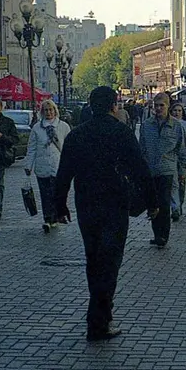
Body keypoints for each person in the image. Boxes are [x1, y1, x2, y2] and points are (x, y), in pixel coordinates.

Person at [54, 86, 158, 341]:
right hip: (115, 205)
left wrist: (59, 205)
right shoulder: (121, 132)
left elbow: (64, 173)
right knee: (110, 263)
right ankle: (99, 320)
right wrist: (153, 201)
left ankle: (99, 316)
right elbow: (140, 168)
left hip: (86, 205)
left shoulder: (76, 136)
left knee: (94, 260)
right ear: (113, 106)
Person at [139, 93, 186, 248]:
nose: (159, 108)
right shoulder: (147, 125)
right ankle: (156, 233)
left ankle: (163, 235)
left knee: (164, 202)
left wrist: (182, 172)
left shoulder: (176, 126)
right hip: (150, 170)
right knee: (153, 203)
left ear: (168, 106)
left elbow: (183, 150)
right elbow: (142, 148)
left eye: (162, 105)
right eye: (156, 105)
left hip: (167, 169)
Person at [24, 99, 72, 233]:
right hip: (42, 166)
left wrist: (70, 164)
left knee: (55, 193)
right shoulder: (37, 128)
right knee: (45, 194)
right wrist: (28, 165)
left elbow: (68, 148)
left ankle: (55, 216)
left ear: (55, 111)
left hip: (58, 166)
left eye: (51, 110)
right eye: (46, 110)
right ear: (42, 112)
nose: (49, 112)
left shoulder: (63, 126)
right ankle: (48, 218)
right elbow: (32, 148)